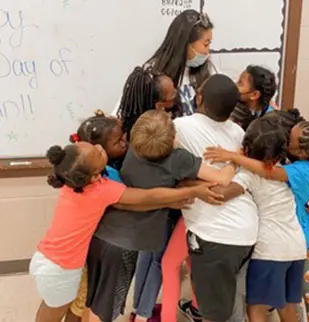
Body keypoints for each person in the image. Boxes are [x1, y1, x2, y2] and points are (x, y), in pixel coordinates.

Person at [29, 140, 212, 322]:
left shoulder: (72, 184)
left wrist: (168, 203)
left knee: (65, 309)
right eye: (97, 153)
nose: (100, 147)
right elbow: (147, 196)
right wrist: (193, 192)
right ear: (93, 176)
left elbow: (129, 203)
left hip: (48, 259)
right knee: (51, 316)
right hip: (60, 269)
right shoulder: (101, 189)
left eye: (96, 146)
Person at [85, 109, 237, 322]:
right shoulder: (178, 159)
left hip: (109, 233)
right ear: (174, 138)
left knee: (96, 299)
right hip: (133, 240)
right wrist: (236, 157)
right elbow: (222, 178)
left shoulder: (133, 150)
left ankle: (139, 311)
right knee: (107, 306)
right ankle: (142, 313)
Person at [205, 120, 309, 322]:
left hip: (271, 251)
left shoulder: (255, 174)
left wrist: (232, 159)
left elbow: (223, 194)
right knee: (285, 304)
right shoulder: (298, 165)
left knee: (256, 308)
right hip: (296, 246)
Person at [172, 74, 258, 322]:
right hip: (247, 229)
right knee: (230, 303)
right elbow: (242, 175)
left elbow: (167, 167)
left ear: (198, 97)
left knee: (214, 314)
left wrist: (189, 183)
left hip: (216, 237)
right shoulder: (238, 131)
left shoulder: (180, 126)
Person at [65, 111, 128, 322]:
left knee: (85, 296)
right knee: (91, 299)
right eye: (118, 141)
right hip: (100, 246)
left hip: (88, 245)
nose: (125, 142)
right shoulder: (108, 180)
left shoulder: (78, 169)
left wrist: (113, 124)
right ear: (99, 149)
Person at [230, 65, 277, 131]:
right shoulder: (235, 106)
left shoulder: (268, 124)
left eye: (240, 83)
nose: (235, 85)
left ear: (254, 95)